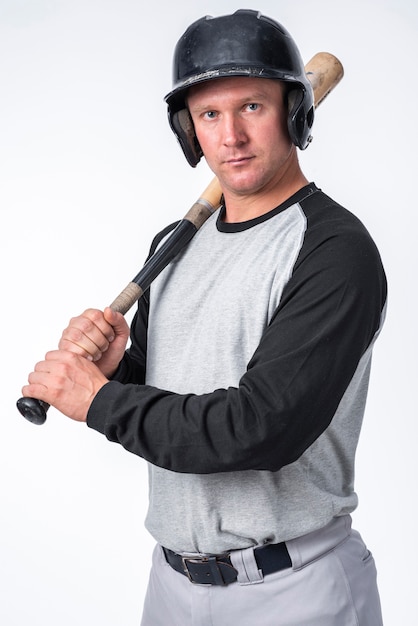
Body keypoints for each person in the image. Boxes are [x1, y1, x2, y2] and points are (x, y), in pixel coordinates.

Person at [22, 9, 387, 625]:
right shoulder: (177, 243)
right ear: (189, 130)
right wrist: (117, 374)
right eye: (210, 115)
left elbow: (260, 427)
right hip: (171, 586)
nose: (231, 137)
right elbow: (172, 404)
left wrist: (98, 403)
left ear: (294, 111)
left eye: (252, 107)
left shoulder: (333, 250)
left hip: (293, 589)